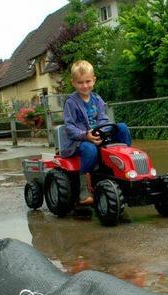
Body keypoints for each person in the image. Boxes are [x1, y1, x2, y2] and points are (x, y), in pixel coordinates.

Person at [62, 60, 132, 204]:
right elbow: (69, 127)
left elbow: (103, 119)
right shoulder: (71, 102)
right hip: (79, 141)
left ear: (94, 80)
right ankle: (84, 189)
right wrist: (86, 135)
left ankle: (126, 166)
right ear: (73, 83)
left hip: (99, 135)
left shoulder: (97, 99)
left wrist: (103, 131)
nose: (85, 85)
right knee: (90, 149)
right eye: (80, 82)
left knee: (122, 127)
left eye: (88, 81)